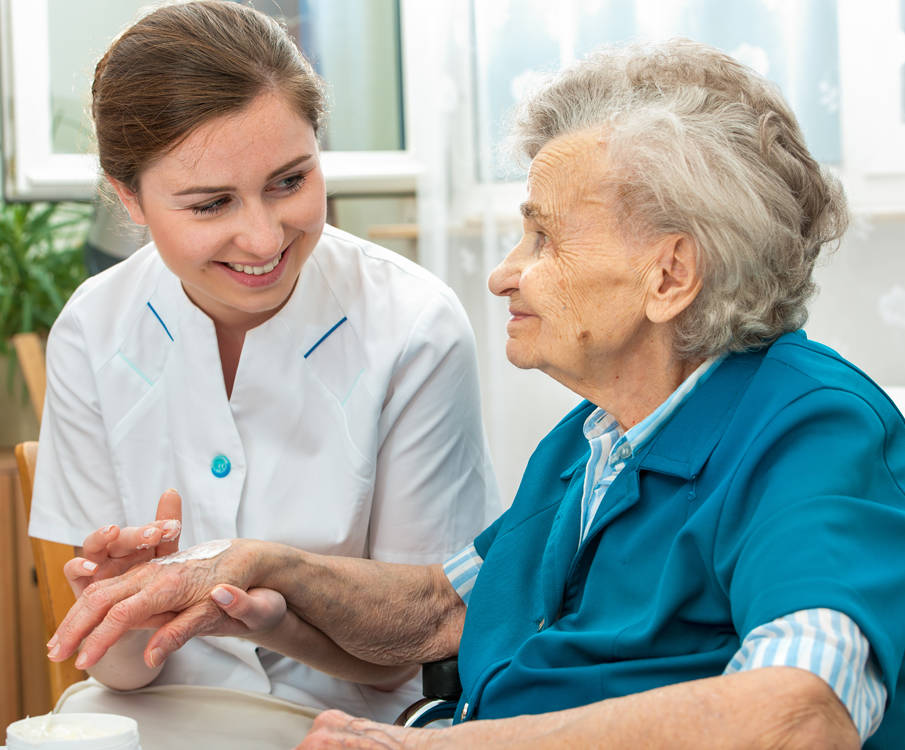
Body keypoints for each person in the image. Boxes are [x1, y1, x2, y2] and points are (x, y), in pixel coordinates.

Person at [47, 38, 905, 748]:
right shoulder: (591, 441)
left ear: (668, 274)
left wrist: (432, 748)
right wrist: (250, 571)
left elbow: (801, 711)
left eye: (542, 236)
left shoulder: (810, 431)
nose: (502, 274)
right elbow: (439, 611)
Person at [29, 0, 499, 731]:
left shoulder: (412, 327)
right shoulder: (94, 328)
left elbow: (416, 645)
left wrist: (267, 615)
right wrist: (119, 608)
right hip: (142, 716)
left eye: (289, 181)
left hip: (343, 724)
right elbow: (116, 668)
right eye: (211, 203)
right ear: (129, 199)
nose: (261, 238)